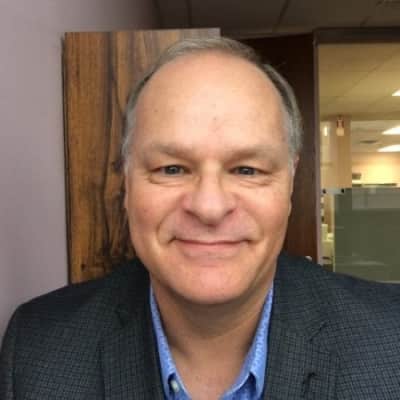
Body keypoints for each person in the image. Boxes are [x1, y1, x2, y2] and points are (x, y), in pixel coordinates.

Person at [1, 37, 400, 400]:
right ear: (127, 184)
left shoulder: (391, 341)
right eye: (172, 169)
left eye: (247, 169)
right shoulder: (38, 350)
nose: (209, 207)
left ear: (290, 184)